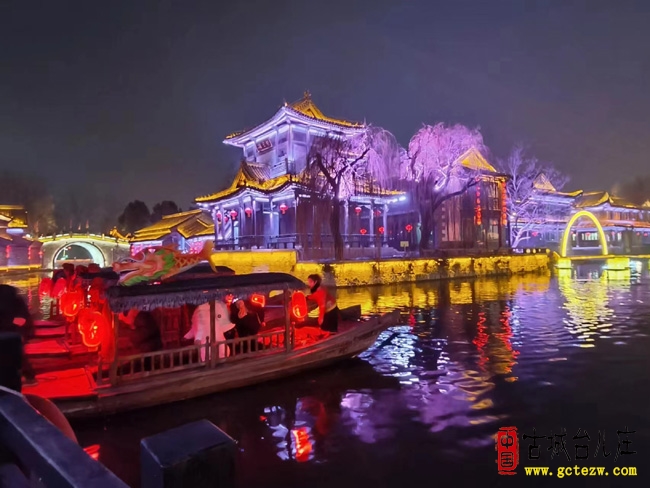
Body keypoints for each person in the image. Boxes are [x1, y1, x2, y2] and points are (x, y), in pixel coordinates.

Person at [0, 285, 37, 385]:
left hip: (14, 330)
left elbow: (21, 320)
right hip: (11, 329)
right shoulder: (14, 299)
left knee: (17, 355)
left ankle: (29, 376)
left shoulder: (12, 300)